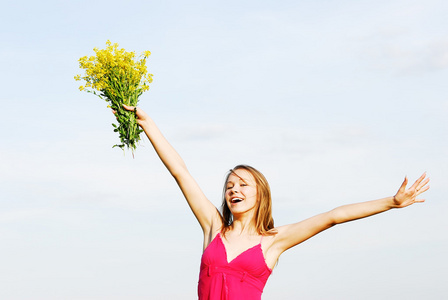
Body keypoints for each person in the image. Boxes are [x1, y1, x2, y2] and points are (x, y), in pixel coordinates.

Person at [121, 105, 430, 300]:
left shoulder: (273, 242)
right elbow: (180, 172)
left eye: (243, 184)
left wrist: (390, 202)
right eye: (229, 186)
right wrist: (148, 124)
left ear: (260, 195)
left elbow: (334, 216)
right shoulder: (213, 227)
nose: (234, 190)